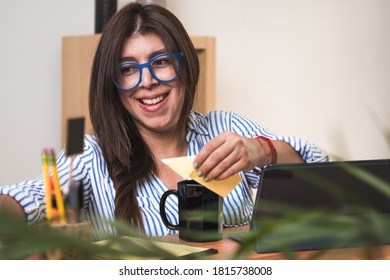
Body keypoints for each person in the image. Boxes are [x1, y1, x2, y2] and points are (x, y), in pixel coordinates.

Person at [0, 3, 328, 241]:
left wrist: (263, 151)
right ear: (112, 85)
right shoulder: (88, 155)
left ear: (185, 66)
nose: (147, 82)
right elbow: (35, 198)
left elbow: (321, 175)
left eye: (161, 62)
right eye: (127, 69)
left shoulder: (224, 127)